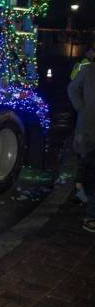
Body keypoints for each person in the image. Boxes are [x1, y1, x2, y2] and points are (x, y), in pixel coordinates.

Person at [67, 61, 95, 232]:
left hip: (87, 129)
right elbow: (72, 89)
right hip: (87, 129)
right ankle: (83, 196)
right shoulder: (88, 69)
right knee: (84, 163)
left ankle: (88, 203)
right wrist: (82, 109)